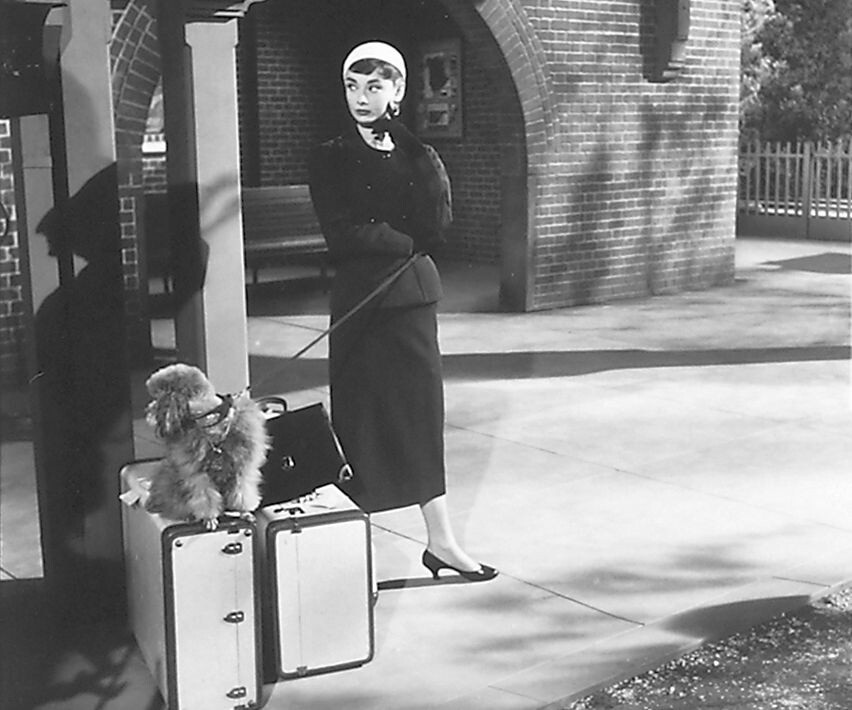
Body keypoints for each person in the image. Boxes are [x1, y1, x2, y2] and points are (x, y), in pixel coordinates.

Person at [308, 40, 496, 583]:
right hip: (362, 304)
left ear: (398, 90)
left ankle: (442, 542)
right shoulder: (330, 154)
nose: (361, 97)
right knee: (361, 424)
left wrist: (413, 146)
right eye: (352, 86)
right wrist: (403, 241)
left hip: (411, 303)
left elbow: (438, 226)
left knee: (420, 420)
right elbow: (342, 232)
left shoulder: (417, 154)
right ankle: (357, 555)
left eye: (374, 86)